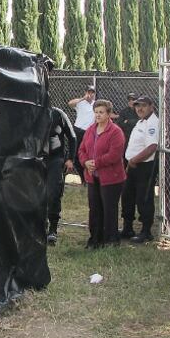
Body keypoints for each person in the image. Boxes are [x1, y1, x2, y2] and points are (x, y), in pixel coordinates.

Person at [76, 100, 126, 248]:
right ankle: (94, 239)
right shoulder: (91, 130)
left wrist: (95, 163)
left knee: (109, 208)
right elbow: (81, 150)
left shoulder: (116, 132)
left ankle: (111, 239)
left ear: (108, 114)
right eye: (96, 112)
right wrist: (85, 162)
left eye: (101, 112)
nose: (98, 115)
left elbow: (114, 155)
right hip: (92, 176)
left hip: (111, 178)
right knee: (94, 208)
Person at [121, 95, 159, 243]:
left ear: (151, 106)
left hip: (144, 166)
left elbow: (152, 147)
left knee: (143, 197)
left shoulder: (152, 123)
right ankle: (127, 227)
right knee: (127, 195)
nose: (139, 108)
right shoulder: (141, 122)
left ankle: (146, 231)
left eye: (143, 105)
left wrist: (134, 160)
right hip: (132, 164)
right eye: (137, 106)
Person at [44, 106, 76, 246]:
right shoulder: (30, 109)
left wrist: (70, 159)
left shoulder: (58, 113)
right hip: (36, 160)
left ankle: (53, 229)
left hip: (55, 159)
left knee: (53, 193)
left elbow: (72, 136)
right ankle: (39, 226)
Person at [67, 85, 96, 167]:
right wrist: (83, 98)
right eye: (88, 92)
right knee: (76, 151)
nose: (90, 94)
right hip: (78, 130)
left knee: (87, 152)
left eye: (92, 92)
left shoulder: (96, 104)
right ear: (85, 92)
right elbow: (70, 103)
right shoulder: (80, 103)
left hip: (90, 132)